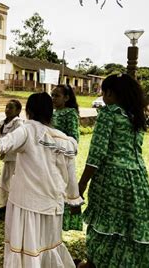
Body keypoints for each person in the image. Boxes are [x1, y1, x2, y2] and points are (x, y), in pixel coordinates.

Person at [0, 92, 83, 267]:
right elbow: (70, 174)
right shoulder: (64, 139)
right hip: (53, 206)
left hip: (27, 204)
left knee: (27, 249)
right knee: (47, 247)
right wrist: (74, 199)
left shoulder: (28, 129)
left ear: (28, 111)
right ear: (50, 112)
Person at [77, 74, 149, 268]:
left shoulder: (109, 114)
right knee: (130, 226)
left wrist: (82, 183)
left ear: (111, 93)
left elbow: (96, 154)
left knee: (106, 224)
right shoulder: (136, 117)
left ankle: (95, 263)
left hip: (111, 180)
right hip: (138, 181)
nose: (103, 96)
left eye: (104, 92)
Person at [51, 84, 82, 231]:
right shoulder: (52, 112)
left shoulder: (70, 113)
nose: (53, 98)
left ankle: (61, 222)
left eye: (57, 95)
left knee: (62, 189)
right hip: (49, 157)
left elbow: (74, 139)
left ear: (67, 98)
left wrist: (61, 146)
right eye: (53, 95)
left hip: (63, 158)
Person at [0, 99, 23, 216]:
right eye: (7, 107)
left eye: (11, 108)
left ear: (18, 110)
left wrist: (5, 150)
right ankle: (5, 205)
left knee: (11, 182)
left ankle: (11, 208)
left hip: (15, 158)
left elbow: (15, 141)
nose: (7, 110)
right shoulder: (4, 123)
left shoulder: (18, 123)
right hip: (8, 158)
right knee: (5, 181)